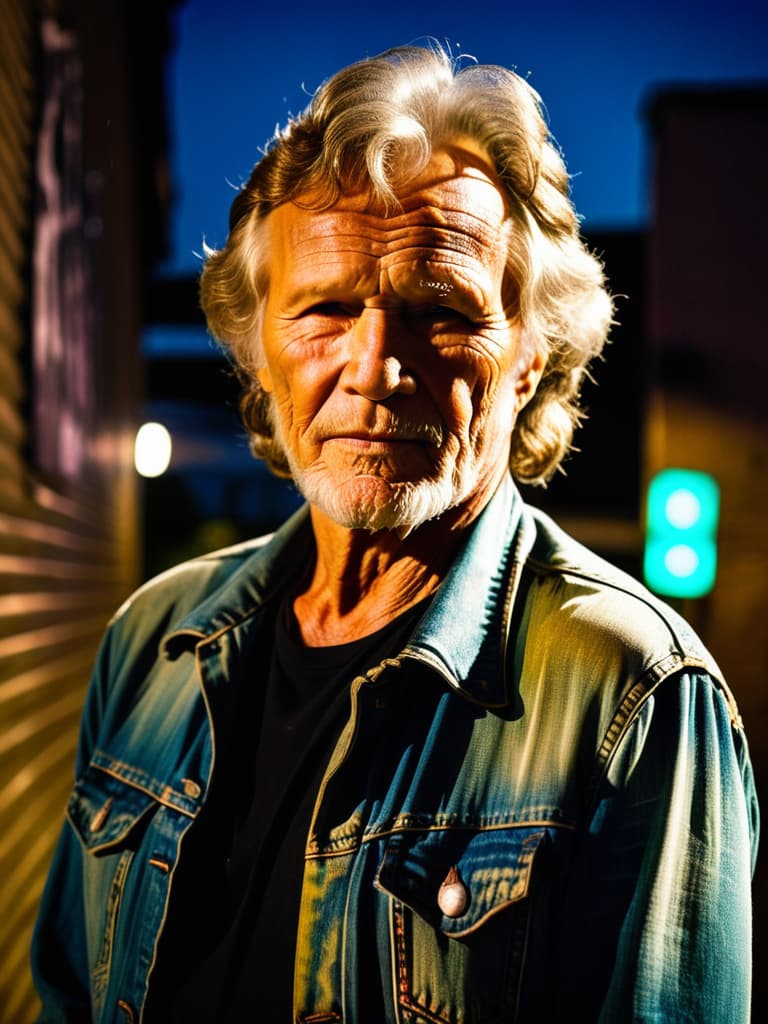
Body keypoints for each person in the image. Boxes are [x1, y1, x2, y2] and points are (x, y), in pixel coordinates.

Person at [32, 43, 758, 1023]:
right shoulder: (152, 640)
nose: (375, 365)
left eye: (438, 312)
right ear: (261, 353)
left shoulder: (636, 697)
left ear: (531, 359)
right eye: (325, 309)